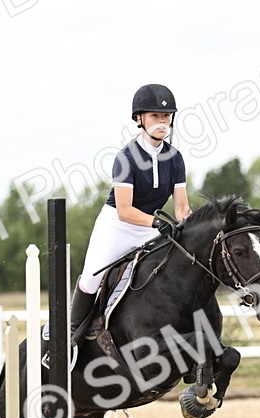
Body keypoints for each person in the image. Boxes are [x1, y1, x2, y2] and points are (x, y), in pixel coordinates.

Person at [68, 83, 192, 342]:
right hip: (118, 226)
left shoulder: (175, 158)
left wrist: (191, 229)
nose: (162, 121)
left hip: (151, 229)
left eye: (166, 116)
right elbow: (125, 210)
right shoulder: (126, 158)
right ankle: (69, 338)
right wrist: (156, 223)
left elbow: (181, 208)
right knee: (91, 278)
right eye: (155, 116)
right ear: (139, 119)